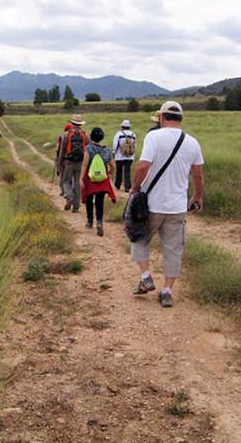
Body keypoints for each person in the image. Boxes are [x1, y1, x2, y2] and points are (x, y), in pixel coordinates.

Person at [130, 101, 204, 308]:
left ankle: (146, 277)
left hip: (151, 205)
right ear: (180, 119)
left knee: (139, 238)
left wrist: (135, 188)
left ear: (162, 117)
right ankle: (167, 291)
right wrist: (197, 197)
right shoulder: (193, 142)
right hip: (177, 207)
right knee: (173, 249)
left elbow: (143, 165)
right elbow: (198, 175)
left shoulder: (153, 137)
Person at [81, 127, 117, 236]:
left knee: (89, 198)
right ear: (102, 138)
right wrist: (109, 172)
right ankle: (100, 222)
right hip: (102, 178)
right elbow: (113, 166)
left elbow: (85, 164)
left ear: (91, 137)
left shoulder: (89, 148)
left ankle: (90, 220)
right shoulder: (107, 150)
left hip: (90, 178)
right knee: (100, 201)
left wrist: (81, 178)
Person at [58, 114, 87, 212]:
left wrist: (59, 164)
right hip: (80, 162)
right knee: (77, 183)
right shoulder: (84, 135)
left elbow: (62, 151)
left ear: (72, 123)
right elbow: (88, 148)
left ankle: (69, 196)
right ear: (80, 124)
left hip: (69, 162)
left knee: (66, 181)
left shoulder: (66, 134)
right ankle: (76, 207)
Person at [112, 120, 137, 192]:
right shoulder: (133, 134)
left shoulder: (119, 134)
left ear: (122, 126)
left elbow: (115, 144)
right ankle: (127, 187)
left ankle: (117, 185)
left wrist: (114, 152)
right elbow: (134, 145)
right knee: (127, 171)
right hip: (130, 156)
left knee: (119, 171)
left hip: (119, 156)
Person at [55, 124, 72, 193]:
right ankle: (71, 191)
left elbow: (56, 149)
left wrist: (58, 158)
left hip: (63, 159)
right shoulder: (74, 136)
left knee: (62, 175)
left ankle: (63, 191)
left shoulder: (61, 137)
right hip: (72, 160)